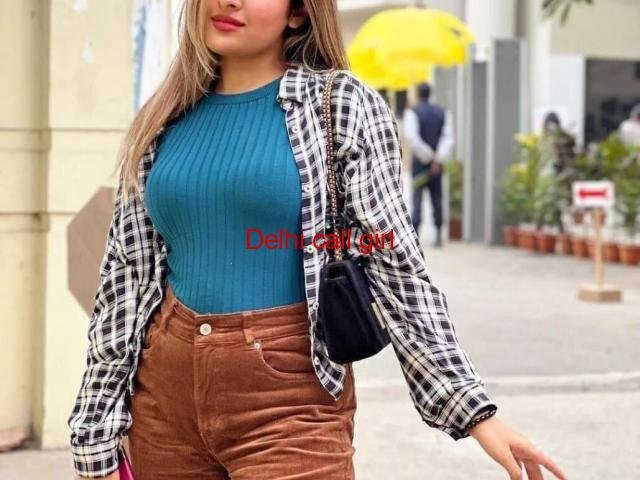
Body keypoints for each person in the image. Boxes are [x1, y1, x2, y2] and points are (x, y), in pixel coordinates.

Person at [66, 1, 568, 480]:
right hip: (162, 399)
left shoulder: (340, 105)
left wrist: (472, 409)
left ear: (298, 11)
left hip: (289, 398)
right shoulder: (164, 117)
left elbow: (394, 263)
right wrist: (95, 429)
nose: (229, 1)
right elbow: (125, 280)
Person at [403, 82, 454, 248]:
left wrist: (428, 157)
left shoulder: (412, 112)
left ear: (418, 94)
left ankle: (415, 236)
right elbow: (448, 138)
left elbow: (413, 139)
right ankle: (438, 235)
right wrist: (437, 159)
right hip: (437, 166)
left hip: (420, 164)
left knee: (417, 200)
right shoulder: (443, 112)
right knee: (437, 199)